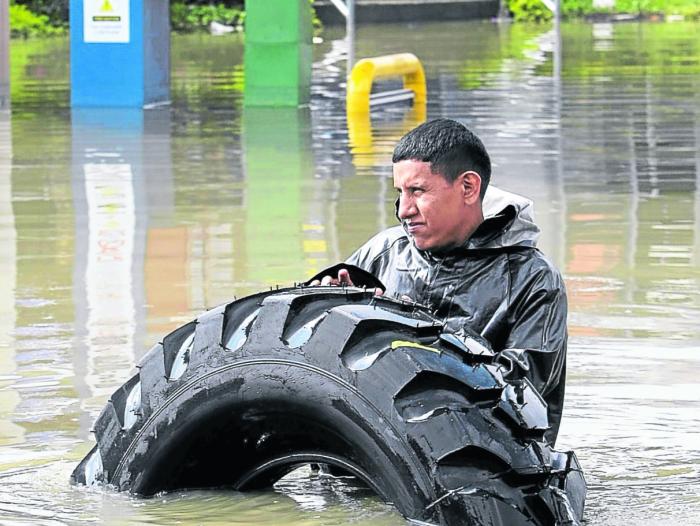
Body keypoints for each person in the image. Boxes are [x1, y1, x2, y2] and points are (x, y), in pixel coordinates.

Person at [310, 118, 567, 445]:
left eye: (417, 191)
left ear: (468, 188)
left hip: (485, 462)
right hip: (383, 452)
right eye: (400, 192)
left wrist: (395, 335)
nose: (404, 210)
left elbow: (520, 397)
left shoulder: (533, 279)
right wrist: (336, 320)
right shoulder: (382, 254)